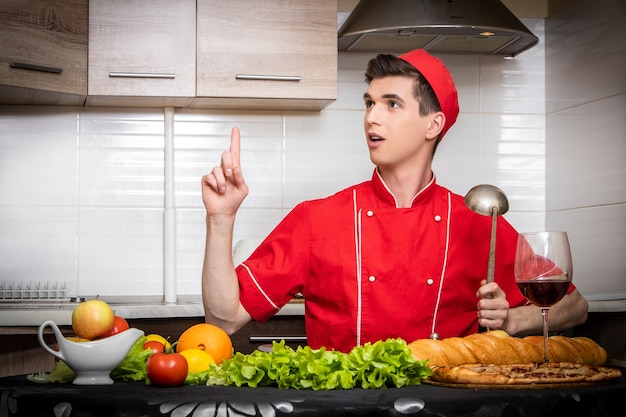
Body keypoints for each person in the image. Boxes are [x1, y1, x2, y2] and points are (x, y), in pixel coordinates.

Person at [200, 49, 588, 353]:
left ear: (433, 124)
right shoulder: (317, 220)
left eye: (392, 104)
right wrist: (221, 219)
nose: (372, 118)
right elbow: (224, 318)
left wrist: (513, 321)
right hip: (342, 409)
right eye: (370, 103)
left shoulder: (477, 220)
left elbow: (576, 306)